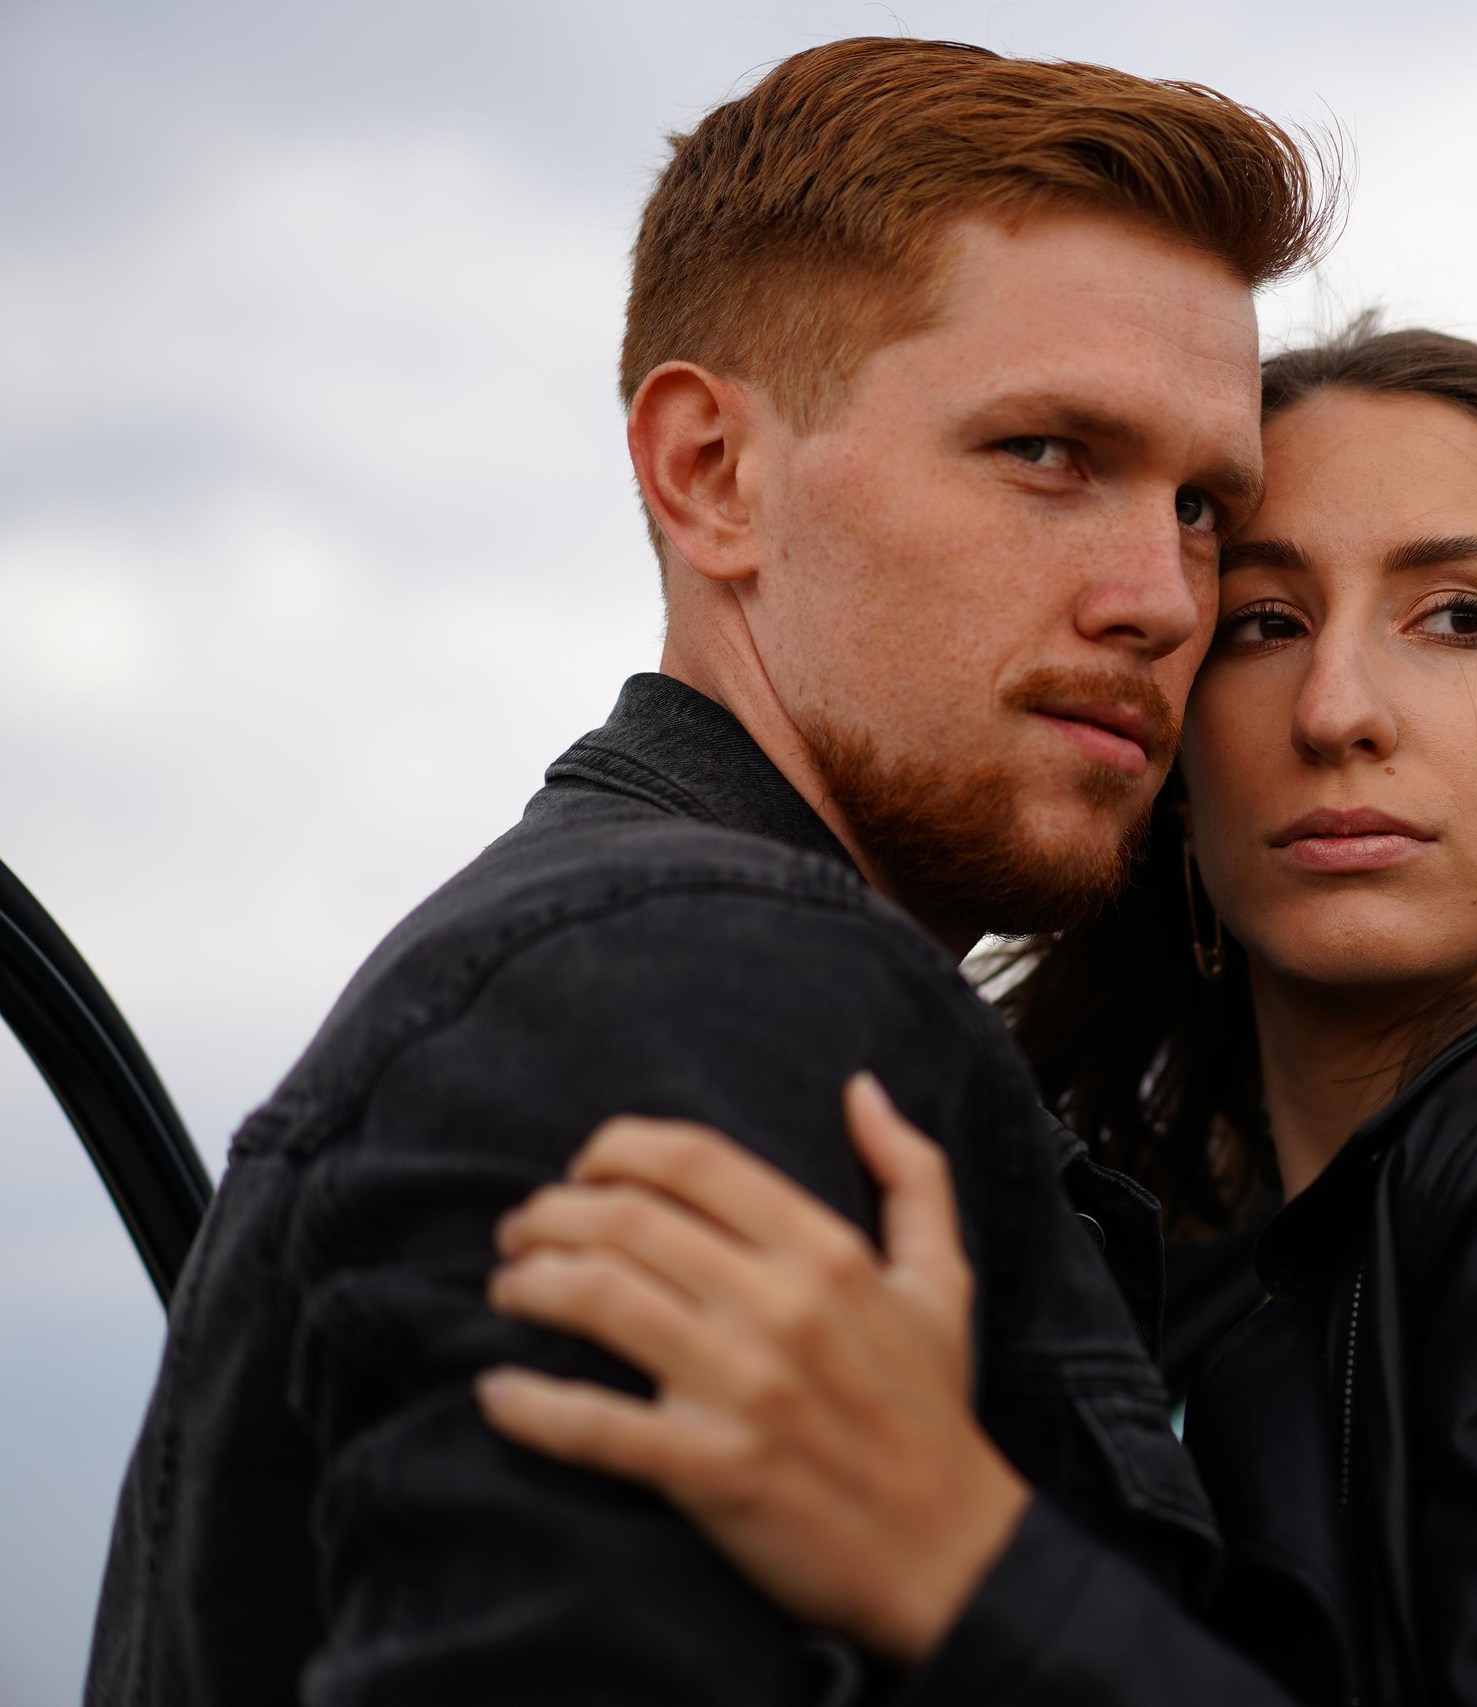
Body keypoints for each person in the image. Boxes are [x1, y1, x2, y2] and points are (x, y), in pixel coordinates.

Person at [474, 324, 1477, 1704]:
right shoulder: (1207, 1290)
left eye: (1460, 617)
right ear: (1171, 753)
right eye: (1264, 625)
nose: (1340, 711)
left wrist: (959, 1562)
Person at [84, 39, 1334, 1705]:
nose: (1162, 599)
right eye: (1048, 453)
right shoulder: (692, 988)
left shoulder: (663, 973)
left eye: (1200, 508)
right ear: (710, 474)